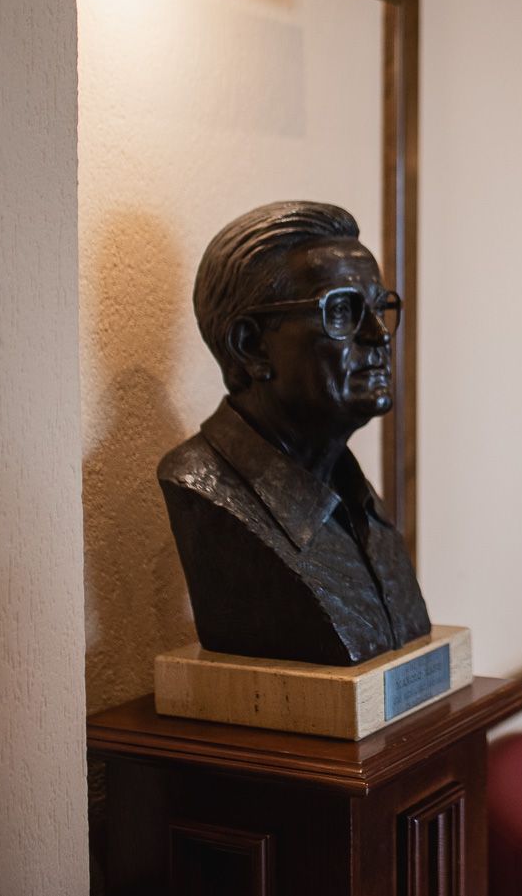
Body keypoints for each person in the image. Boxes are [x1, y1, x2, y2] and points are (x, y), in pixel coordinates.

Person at [158, 201, 431, 666]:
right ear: (251, 346)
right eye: (341, 310)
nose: (379, 335)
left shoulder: (358, 498)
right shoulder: (201, 487)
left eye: (379, 308)